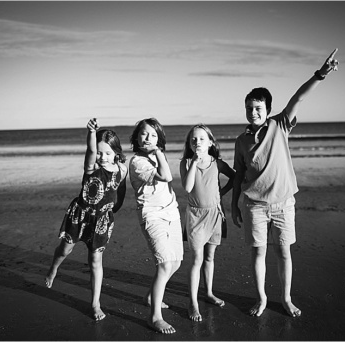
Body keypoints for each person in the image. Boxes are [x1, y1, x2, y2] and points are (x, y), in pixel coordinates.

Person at [230, 48, 339, 318]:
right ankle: (262, 299)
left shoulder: (280, 125)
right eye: (249, 108)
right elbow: (238, 175)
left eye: (258, 108)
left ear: (268, 110)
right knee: (258, 254)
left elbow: (299, 97)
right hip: (254, 205)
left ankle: (286, 299)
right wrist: (233, 205)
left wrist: (321, 74)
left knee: (283, 253)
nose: (253, 112)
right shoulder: (241, 141)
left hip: (283, 204)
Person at [45, 118, 127, 321]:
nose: (102, 157)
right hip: (80, 216)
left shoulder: (122, 170)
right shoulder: (91, 167)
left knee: (95, 261)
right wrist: (91, 133)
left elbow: (120, 191)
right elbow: (90, 151)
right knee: (65, 250)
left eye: (107, 153)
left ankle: (95, 304)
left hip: (101, 221)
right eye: (99, 152)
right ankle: (54, 268)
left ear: (116, 153)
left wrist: (114, 208)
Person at [129, 118, 182, 334]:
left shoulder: (157, 156)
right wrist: (159, 151)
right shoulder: (137, 162)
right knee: (165, 264)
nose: (148, 138)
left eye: (153, 134)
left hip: (171, 212)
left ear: (159, 138)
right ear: (136, 137)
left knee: (176, 262)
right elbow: (167, 176)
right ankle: (155, 317)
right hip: (152, 215)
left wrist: (158, 153)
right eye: (144, 134)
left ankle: (151, 297)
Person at [180, 124, 235, 321]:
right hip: (196, 216)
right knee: (197, 258)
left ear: (211, 142)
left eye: (202, 139)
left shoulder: (217, 163)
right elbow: (187, 188)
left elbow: (235, 177)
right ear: (189, 144)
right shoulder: (186, 162)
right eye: (193, 139)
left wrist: (222, 192)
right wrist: (195, 162)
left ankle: (209, 292)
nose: (198, 142)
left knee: (210, 257)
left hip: (215, 214)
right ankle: (193, 303)